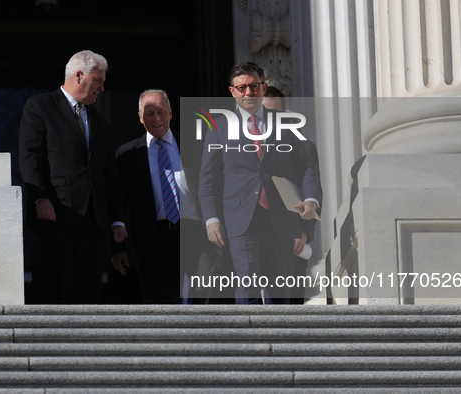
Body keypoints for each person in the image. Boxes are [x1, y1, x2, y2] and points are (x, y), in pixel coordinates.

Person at [198, 62, 321, 304]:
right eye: (241, 88)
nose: (248, 93)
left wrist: (311, 199)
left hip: (281, 220)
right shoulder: (218, 128)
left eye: (253, 87)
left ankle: (278, 340)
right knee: (247, 287)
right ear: (232, 92)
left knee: (280, 293)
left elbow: (307, 166)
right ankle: (250, 342)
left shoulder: (287, 124)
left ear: (264, 88)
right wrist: (212, 219)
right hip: (241, 221)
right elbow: (208, 180)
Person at [19, 50, 127, 304]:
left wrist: (118, 219)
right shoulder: (41, 106)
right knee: (58, 287)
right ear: (79, 75)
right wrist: (39, 199)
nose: (102, 87)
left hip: (94, 221)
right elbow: (30, 157)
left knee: (90, 291)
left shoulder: (99, 122)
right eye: (98, 80)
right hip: (57, 214)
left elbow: (108, 174)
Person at [112, 89, 205, 304]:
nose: (156, 119)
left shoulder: (196, 145)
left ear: (170, 113)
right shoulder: (127, 155)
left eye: (161, 112)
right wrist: (118, 248)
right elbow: (118, 202)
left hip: (196, 236)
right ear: (140, 117)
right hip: (153, 242)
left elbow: (213, 190)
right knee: (161, 307)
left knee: (202, 303)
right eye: (149, 113)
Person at [263, 85, 323, 304]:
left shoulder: (303, 146)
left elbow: (313, 189)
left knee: (291, 304)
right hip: (255, 235)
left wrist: (304, 230)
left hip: (291, 239)